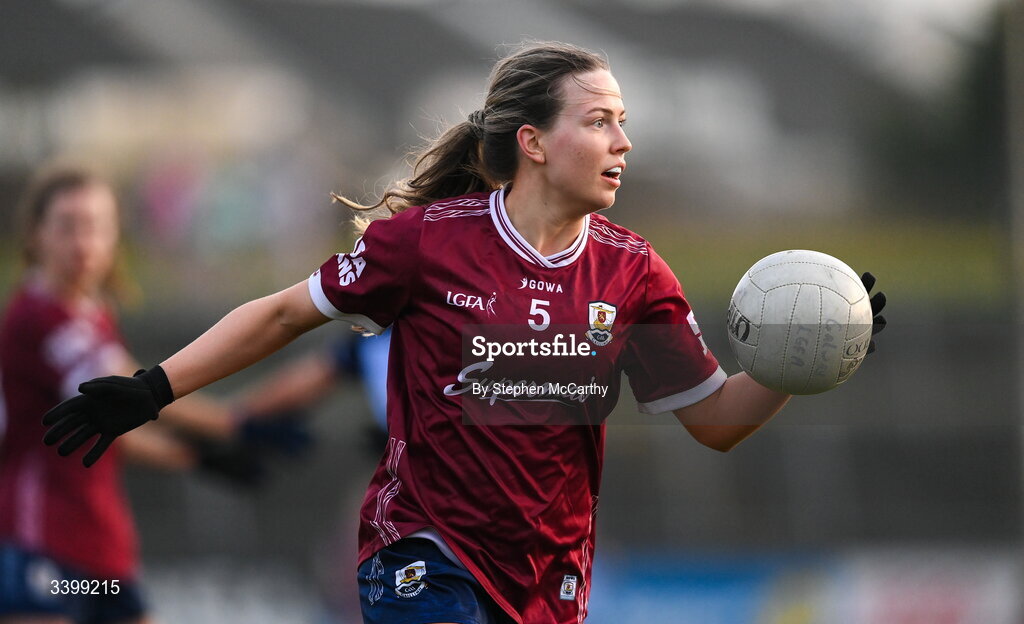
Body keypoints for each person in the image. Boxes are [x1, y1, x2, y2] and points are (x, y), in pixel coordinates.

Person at [40, 42, 885, 624]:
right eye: (598, 121)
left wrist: (798, 361)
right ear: (533, 143)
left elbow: (717, 421)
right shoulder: (427, 244)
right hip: (422, 551)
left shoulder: (635, 274)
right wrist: (153, 390)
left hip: (551, 577)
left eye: (624, 121)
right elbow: (284, 312)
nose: (622, 140)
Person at [0, 164, 298, 624]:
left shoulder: (92, 315)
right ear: (36, 235)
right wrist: (236, 424)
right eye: (67, 226)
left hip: (98, 544)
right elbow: (126, 392)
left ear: (115, 236)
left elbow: (111, 430)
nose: (82, 243)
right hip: (41, 543)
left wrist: (197, 458)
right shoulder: (39, 317)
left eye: (95, 227)